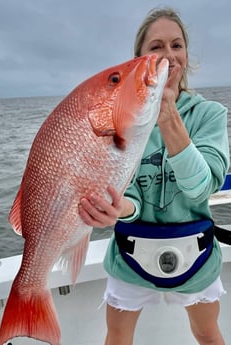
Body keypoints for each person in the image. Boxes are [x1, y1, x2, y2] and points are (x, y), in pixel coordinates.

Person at [78, 7, 230, 345]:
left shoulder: (210, 115)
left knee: (207, 334)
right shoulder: (118, 121)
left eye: (177, 45)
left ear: (186, 55)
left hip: (198, 255)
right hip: (130, 255)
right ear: (139, 59)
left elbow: (202, 188)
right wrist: (119, 209)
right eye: (156, 46)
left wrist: (168, 118)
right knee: (117, 336)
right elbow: (125, 191)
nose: (168, 55)